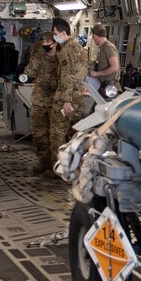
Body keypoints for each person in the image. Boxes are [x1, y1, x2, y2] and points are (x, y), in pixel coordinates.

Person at [50, 18, 89, 170]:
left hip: (66, 98)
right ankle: (75, 168)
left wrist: (66, 100)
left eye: (55, 33)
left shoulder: (66, 50)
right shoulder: (80, 48)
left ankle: (59, 169)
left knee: (58, 133)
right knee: (75, 134)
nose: (54, 37)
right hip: (78, 96)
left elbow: (67, 76)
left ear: (63, 33)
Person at [23, 32, 58, 173]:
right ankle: (43, 163)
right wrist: (38, 56)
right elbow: (29, 72)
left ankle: (55, 165)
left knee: (54, 135)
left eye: (48, 42)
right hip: (39, 99)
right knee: (38, 133)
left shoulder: (62, 58)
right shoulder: (39, 56)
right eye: (44, 41)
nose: (45, 44)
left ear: (55, 43)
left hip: (55, 100)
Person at [88, 24, 120, 89]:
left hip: (110, 87)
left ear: (95, 35)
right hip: (104, 85)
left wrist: (96, 73)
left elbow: (114, 68)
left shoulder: (108, 47)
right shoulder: (102, 47)